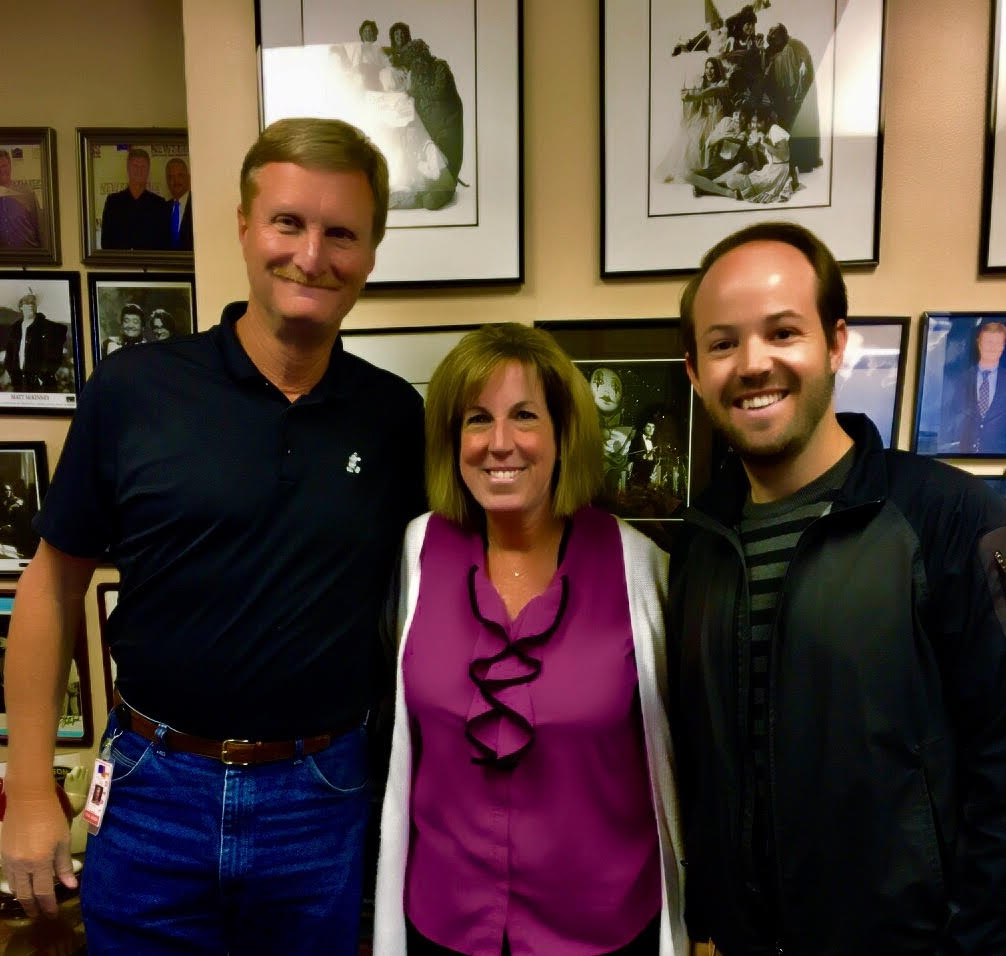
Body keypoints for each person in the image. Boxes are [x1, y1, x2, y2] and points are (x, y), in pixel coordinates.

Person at [0, 117, 426, 955]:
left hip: (324, 797)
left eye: (341, 233)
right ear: (241, 226)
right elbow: (51, 586)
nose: (312, 255)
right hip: (154, 789)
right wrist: (29, 787)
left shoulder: (394, 417)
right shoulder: (134, 391)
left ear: (371, 253)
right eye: (288, 223)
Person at [667, 221, 1006, 954]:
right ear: (695, 372)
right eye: (723, 344)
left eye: (782, 332)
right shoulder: (697, 546)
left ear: (835, 342)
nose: (753, 364)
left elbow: (1002, 760)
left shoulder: (949, 519)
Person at [373, 323, 686, 956]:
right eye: (477, 420)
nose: (500, 443)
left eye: (525, 416)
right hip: (446, 923)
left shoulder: (640, 569)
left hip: (601, 930)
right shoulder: (415, 553)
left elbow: (678, 765)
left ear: (564, 433)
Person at [763, 23, 821, 173]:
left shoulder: (794, 46)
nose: (774, 42)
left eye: (776, 38)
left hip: (798, 97)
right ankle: (793, 160)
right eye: (772, 39)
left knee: (801, 127)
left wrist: (798, 94)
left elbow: (803, 72)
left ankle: (804, 161)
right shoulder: (776, 51)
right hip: (785, 98)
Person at [99, 147, 169, 250]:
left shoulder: (159, 204)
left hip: (150, 265)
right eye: (135, 166)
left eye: (143, 167)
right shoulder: (113, 202)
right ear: (128, 168)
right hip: (121, 265)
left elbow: (164, 244)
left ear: (148, 170)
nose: (139, 170)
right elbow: (106, 242)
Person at [958, 319, 1006, 454]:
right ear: (979, 343)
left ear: (1003, 346)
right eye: (989, 342)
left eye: (998, 343)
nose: (992, 348)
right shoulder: (962, 379)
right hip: (963, 455)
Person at [2, 291, 67, 392]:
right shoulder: (14, 329)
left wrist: (43, 376)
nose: (31, 305)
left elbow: (56, 354)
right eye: (27, 302)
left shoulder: (48, 327)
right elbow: (9, 357)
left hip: (42, 385)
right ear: (21, 306)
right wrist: (13, 376)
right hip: (19, 384)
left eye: (33, 302)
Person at [0, 149, 42, 249]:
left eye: (4, 166)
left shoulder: (27, 193)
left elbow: (40, 228)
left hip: (30, 256)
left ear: (10, 166)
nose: (1, 170)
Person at [164, 157, 193, 251]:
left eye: (180, 175)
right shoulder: (162, 209)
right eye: (171, 176)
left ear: (188, 178)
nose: (176, 180)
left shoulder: (197, 206)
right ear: (167, 181)